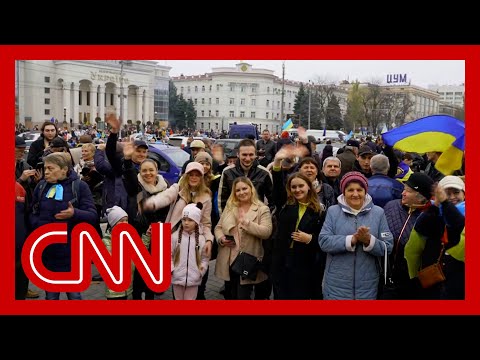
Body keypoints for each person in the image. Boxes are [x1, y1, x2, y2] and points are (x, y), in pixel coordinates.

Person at [29, 152, 97, 300]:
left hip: (72, 253)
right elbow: (33, 211)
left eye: (50, 168)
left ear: (64, 170)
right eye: (45, 168)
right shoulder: (41, 186)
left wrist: (75, 214)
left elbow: (92, 215)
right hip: (48, 252)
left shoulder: (79, 186)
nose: (46, 172)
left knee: (74, 295)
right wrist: (38, 226)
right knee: (51, 296)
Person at [319, 171, 393, 299]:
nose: (355, 194)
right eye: (350, 190)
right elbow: (324, 241)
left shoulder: (378, 213)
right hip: (336, 284)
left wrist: (369, 241)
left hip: (368, 285)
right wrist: (351, 240)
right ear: (344, 192)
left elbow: (388, 246)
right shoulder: (333, 211)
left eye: (359, 190)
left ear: (365, 191)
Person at [214, 177, 272, 299]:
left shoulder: (262, 209)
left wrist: (246, 223)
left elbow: (266, 232)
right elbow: (218, 227)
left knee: (243, 296)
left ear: (251, 189)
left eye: (244, 188)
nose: (242, 192)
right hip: (229, 260)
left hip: (248, 261)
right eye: (238, 190)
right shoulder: (230, 207)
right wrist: (221, 239)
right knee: (231, 294)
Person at [271, 173, 323, 299]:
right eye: (294, 187)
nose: (297, 190)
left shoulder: (318, 210)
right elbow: (277, 187)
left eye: (301, 186)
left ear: (309, 187)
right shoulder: (285, 205)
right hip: (282, 260)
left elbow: (323, 238)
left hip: (304, 262)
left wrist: (310, 239)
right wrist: (277, 166)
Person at [171, 202, 210, 300]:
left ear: (196, 221)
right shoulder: (174, 237)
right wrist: (172, 270)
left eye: (190, 220)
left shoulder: (201, 239)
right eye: (184, 219)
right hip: (177, 278)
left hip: (194, 280)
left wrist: (200, 272)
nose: (186, 222)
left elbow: (205, 259)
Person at [102, 206, 134, 300]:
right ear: (113, 224)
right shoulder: (106, 242)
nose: (125, 223)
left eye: (126, 220)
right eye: (121, 221)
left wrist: (147, 236)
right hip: (114, 291)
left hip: (127, 288)